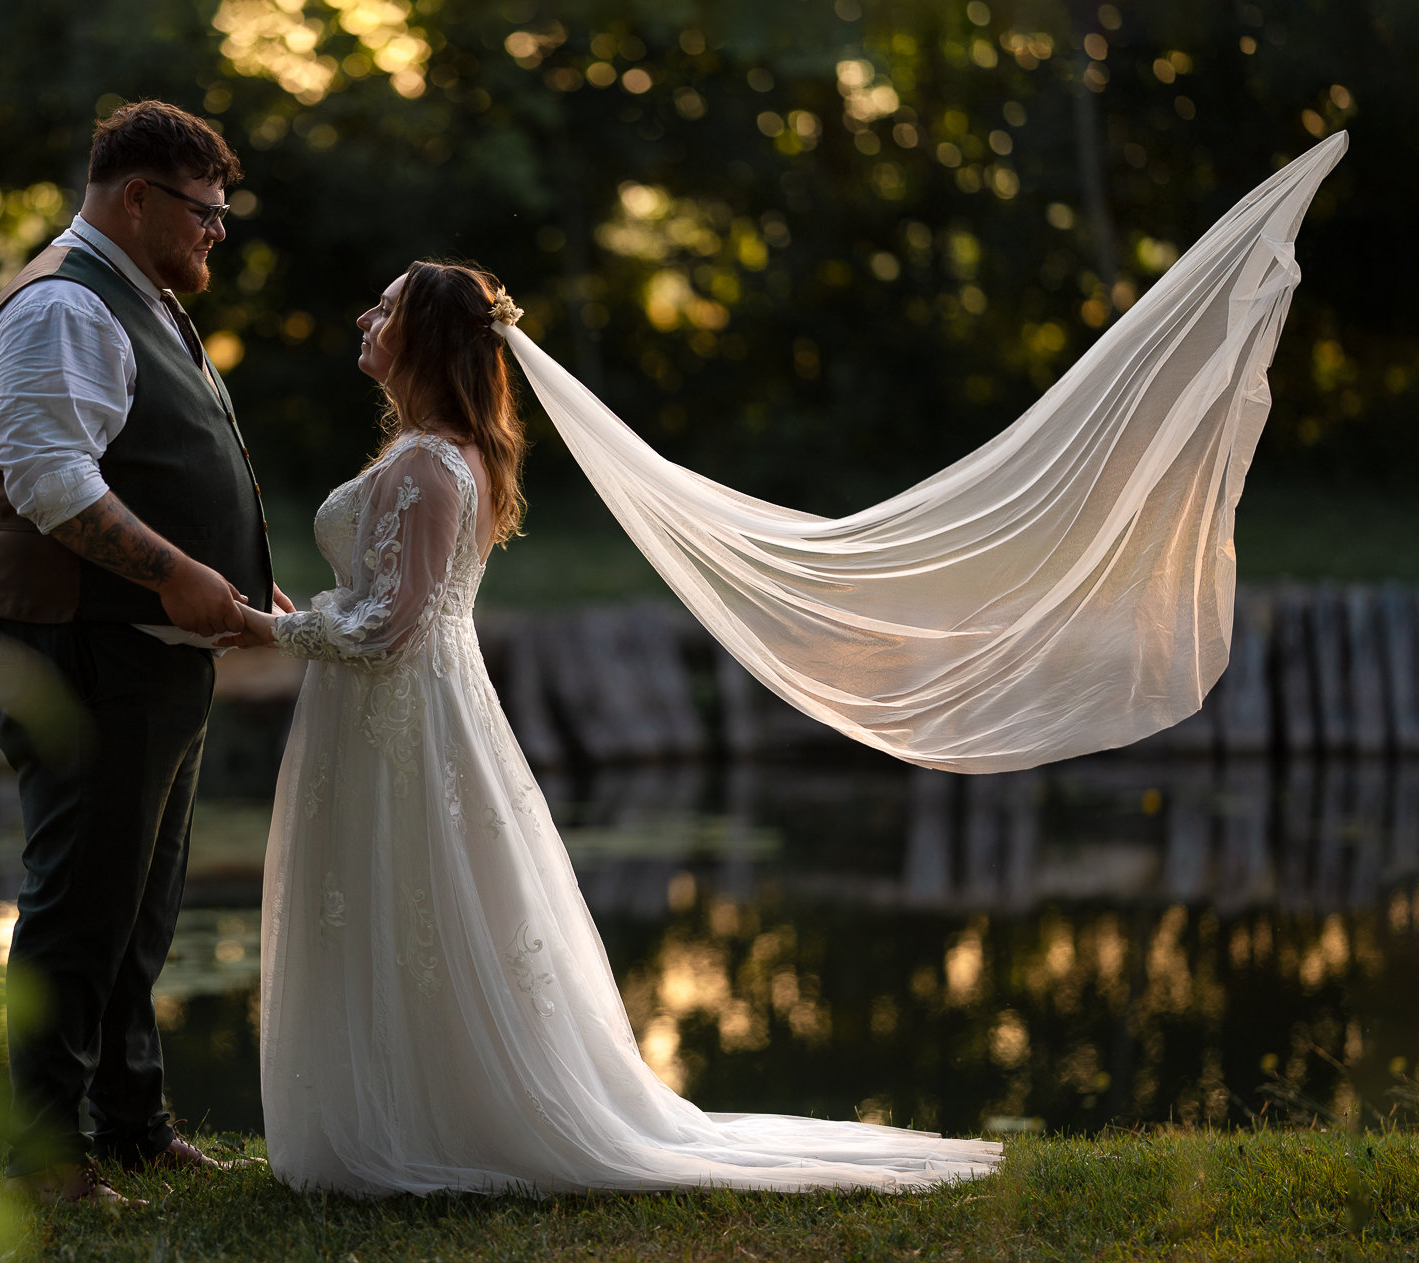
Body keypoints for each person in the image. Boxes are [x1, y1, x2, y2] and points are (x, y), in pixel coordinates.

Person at [224, 261, 1000, 1194]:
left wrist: (265, 630)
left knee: (416, 896)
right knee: (414, 899)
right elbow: (385, 604)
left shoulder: (429, 462)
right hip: (408, 711)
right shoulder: (437, 452)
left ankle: (431, 1120)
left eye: (383, 307)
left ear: (423, 334)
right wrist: (299, 610)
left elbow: (390, 629)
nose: (363, 314)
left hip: (404, 717)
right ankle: (404, 1105)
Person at [0, 100, 291, 1205]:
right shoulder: (64, 302)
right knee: (79, 901)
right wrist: (174, 574)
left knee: (140, 902)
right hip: (77, 644)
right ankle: (44, 1161)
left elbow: (153, 463)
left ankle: (134, 1124)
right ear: (137, 197)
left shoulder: (134, 296)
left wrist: (233, 571)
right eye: (204, 209)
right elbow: (51, 476)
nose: (217, 231)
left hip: (140, 646)